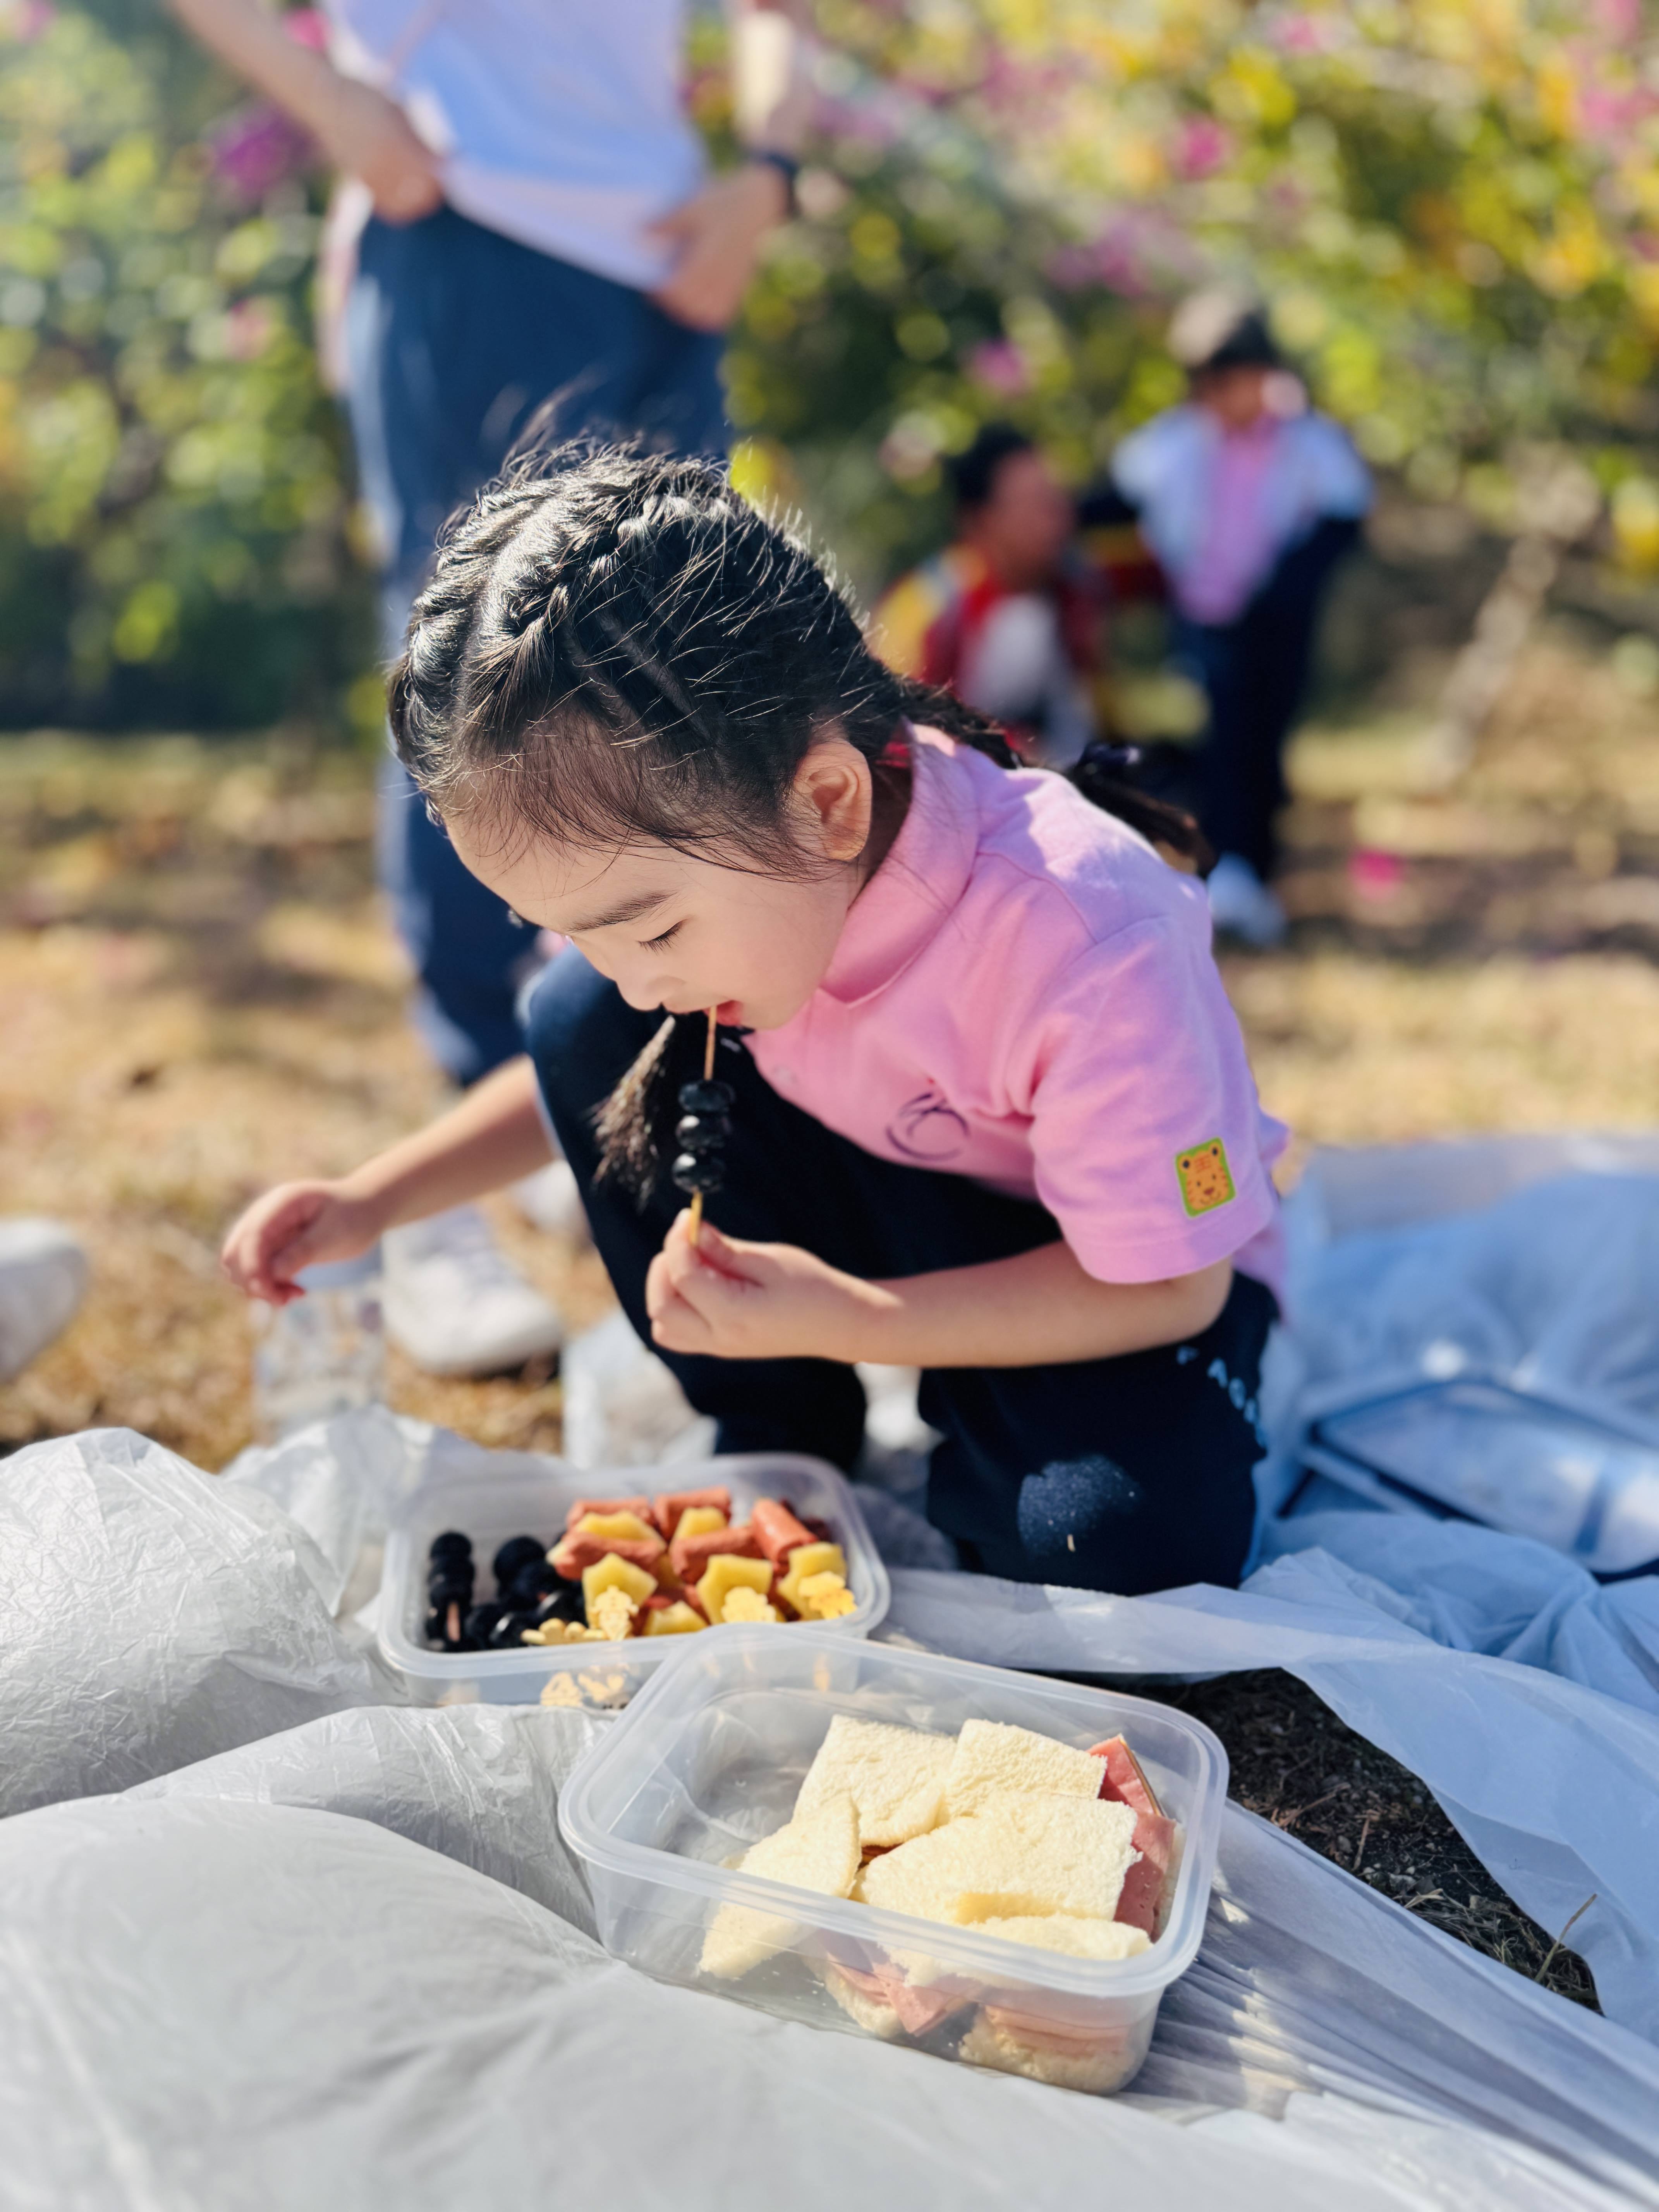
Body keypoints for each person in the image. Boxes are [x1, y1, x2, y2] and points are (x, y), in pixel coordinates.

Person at [222, 446, 1288, 1597]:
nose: (638, 983)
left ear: (827, 801)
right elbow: (582, 1066)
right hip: (887, 1212)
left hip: (1100, 1276)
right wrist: (374, 1201)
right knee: (573, 1013)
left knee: (1109, 1543)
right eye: (574, 928)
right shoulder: (728, 905)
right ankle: (783, 1426)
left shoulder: (1083, 933)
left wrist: (851, 1317)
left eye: (652, 932)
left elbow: (1174, 1285)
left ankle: (951, 1419)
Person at [169, 0, 808, 1373]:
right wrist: (338, 110)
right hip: (465, 228)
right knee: (478, 681)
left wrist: (765, 182)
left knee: (678, 679)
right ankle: (458, 1148)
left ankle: (629, 1116)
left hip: (667, 261)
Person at [1111, 289, 1371, 948]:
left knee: (1262, 741)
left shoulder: (1304, 444)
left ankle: (1254, 869)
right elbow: (1123, 499)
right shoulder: (1179, 443)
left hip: (1275, 625)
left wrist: (1285, 590)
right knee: (1222, 740)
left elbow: (1342, 515)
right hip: (1205, 620)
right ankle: (1227, 871)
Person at [871, 426, 1109, 768]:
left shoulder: (1075, 584)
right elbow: (886, 728)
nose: (1057, 519)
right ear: (978, 520)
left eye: (1058, 500)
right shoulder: (930, 605)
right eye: (1034, 505)